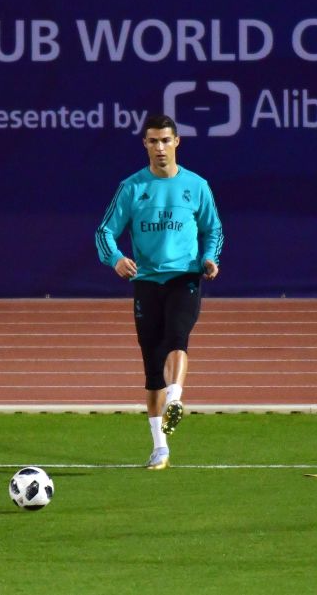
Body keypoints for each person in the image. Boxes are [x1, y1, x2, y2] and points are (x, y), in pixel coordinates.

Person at [95, 114, 223, 470]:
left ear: (177, 142)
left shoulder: (196, 186)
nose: (160, 148)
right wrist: (116, 259)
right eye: (153, 141)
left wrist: (210, 259)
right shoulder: (132, 188)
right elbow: (104, 232)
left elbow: (214, 230)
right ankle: (160, 448)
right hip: (147, 282)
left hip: (185, 277)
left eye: (166, 140)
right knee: (152, 366)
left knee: (178, 337)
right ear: (145, 145)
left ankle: (176, 398)